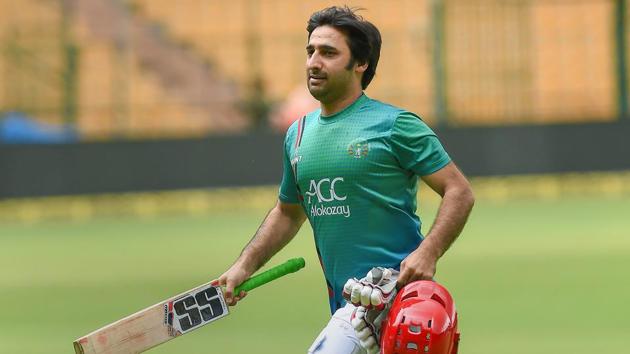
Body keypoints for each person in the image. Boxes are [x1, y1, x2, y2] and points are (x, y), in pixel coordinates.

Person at [218, 6, 474, 354]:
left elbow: (459, 190)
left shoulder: (395, 125)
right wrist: (243, 265)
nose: (313, 62)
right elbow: (288, 212)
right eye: (310, 51)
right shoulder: (298, 134)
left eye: (328, 53)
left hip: (396, 306)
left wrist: (428, 252)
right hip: (347, 307)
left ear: (360, 64)